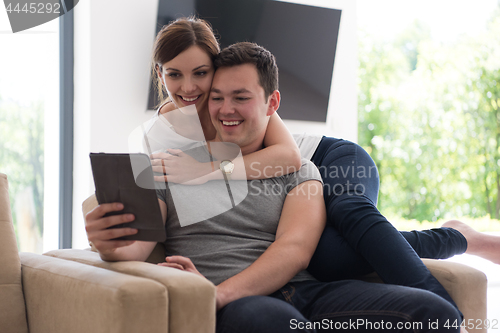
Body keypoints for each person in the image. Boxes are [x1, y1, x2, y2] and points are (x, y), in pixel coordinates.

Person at [86, 41, 464, 332]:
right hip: (243, 305)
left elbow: (295, 249)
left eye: (240, 97)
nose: (225, 108)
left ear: (272, 103)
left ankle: (456, 242)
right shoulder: (170, 164)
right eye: (216, 97)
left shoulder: (298, 168)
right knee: (269, 321)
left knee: (436, 313)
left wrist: (220, 294)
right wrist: (110, 243)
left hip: (302, 292)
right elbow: (136, 244)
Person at [138, 17, 500, 310]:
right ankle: (456, 236)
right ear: (160, 74)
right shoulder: (164, 132)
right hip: (289, 184)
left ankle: (444, 297)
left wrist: (207, 169)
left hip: (324, 158)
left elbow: (289, 157)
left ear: (215, 68)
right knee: (329, 259)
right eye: (174, 74)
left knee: (349, 211)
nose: (189, 87)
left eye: (200, 73)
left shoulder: (237, 104)